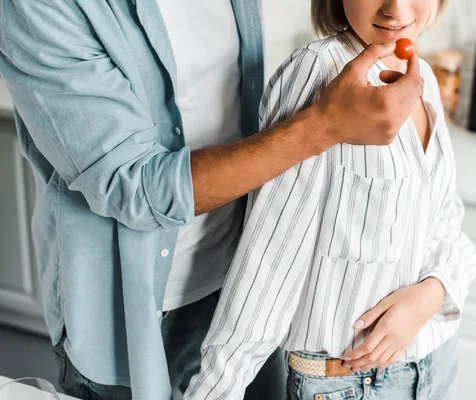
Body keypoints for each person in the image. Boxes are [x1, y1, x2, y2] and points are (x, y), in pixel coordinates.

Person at [0, 0, 423, 399]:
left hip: (240, 288)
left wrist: (434, 290)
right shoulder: (39, 7)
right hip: (130, 308)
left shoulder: (403, 79)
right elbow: (133, 187)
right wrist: (324, 126)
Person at [185, 0, 476, 399]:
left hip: (436, 361)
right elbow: (270, 261)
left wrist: (435, 291)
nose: (395, 9)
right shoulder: (320, 73)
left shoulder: (422, 75)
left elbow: (446, 221)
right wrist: (216, 390)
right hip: (348, 384)